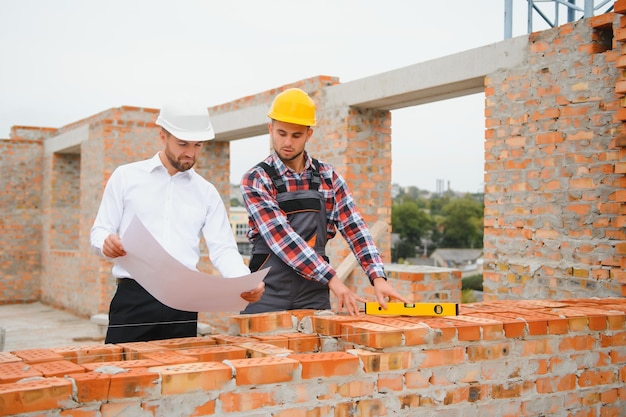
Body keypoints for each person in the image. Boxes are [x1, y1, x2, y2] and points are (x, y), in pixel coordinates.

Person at [90, 100, 264, 343]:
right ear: (163, 136)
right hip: (134, 299)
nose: (190, 153)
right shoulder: (126, 177)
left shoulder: (206, 192)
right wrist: (105, 243)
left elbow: (223, 248)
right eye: (183, 144)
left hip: (183, 302)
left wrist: (243, 282)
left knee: (179, 377)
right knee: (124, 374)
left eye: (198, 145)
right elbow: (99, 231)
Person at [240, 88, 409, 315]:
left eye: (296, 135)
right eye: (281, 133)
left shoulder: (328, 177)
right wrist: (333, 280)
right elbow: (282, 238)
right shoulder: (256, 179)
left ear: (309, 134)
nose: (287, 142)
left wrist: (377, 277)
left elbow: (355, 228)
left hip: (313, 291)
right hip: (265, 291)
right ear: (270, 129)